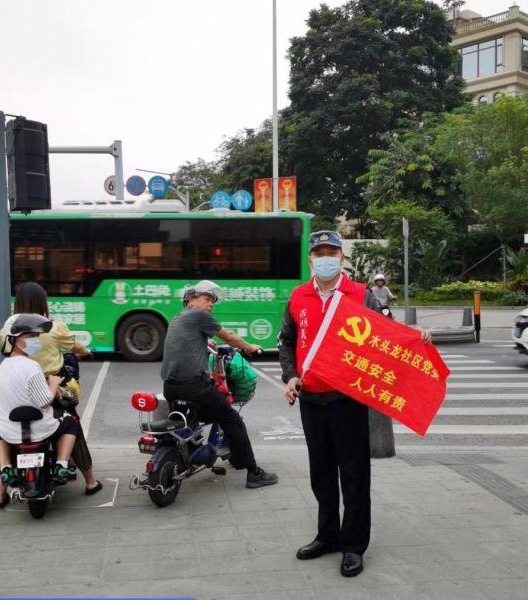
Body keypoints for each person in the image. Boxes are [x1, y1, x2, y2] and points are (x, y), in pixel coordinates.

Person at [278, 231, 430, 578]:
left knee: (354, 476)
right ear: (310, 260)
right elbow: (285, 341)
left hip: (347, 400)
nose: (326, 257)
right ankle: (327, 536)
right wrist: (290, 376)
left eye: (332, 252)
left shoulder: (360, 295)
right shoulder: (298, 297)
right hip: (311, 400)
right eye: (319, 253)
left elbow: (387, 331)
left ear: (342, 259)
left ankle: (353, 546)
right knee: (321, 475)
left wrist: (414, 336)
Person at [161, 280, 278, 489]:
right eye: (207, 299)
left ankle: (193, 456)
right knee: (232, 420)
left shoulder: (178, 318)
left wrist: (205, 342)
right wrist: (250, 347)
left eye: (213, 301)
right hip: (195, 387)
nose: (210, 304)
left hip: (170, 387)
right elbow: (229, 337)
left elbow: (184, 342)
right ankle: (254, 473)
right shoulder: (199, 316)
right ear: (191, 299)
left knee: (195, 419)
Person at [0, 281, 101, 498]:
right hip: (52, 386)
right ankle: (90, 481)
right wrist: (86, 352)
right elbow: (76, 348)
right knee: (73, 425)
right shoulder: (52, 326)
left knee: (9, 430)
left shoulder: (9, 325)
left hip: (17, 390)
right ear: (43, 302)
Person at [0, 313, 80, 508]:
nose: (36, 340)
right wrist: (54, 384)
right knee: (70, 423)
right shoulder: (32, 366)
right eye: (31, 337)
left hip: (9, 432)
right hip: (41, 429)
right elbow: (45, 402)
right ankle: (61, 465)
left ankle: (6, 467)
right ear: (18, 342)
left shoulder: (3, 367)